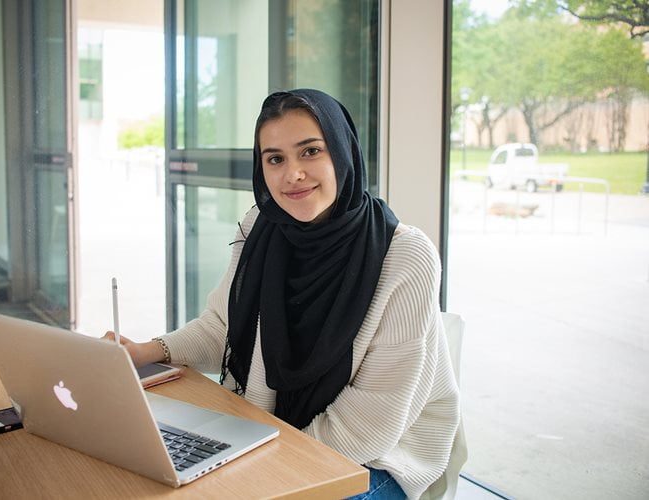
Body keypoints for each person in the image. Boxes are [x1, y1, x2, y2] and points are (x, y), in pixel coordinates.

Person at [106, 89, 462, 499]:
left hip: (375, 461)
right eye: (275, 158)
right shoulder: (261, 226)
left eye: (310, 151)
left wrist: (255, 472)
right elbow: (221, 328)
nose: (292, 173)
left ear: (343, 152)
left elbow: (369, 429)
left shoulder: (404, 256)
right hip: (274, 433)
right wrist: (143, 353)